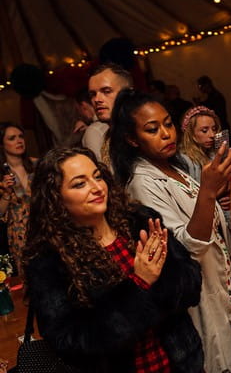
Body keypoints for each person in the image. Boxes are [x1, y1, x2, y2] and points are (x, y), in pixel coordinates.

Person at [22, 147, 203, 371]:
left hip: (181, 362)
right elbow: (69, 342)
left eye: (97, 176)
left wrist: (165, 274)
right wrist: (139, 283)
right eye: (80, 184)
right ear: (55, 198)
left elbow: (192, 286)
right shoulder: (49, 261)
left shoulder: (140, 222)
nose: (97, 187)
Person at [109, 90, 231, 373]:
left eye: (168, 124)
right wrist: (208, 193)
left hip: (227, 286)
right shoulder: (141, 183)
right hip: (203, 298)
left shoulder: (176, 168)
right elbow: (185, 248)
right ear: (132, 139)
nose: (166, 134)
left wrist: (218, 193)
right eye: (152, 129)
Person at [180, 106, 231, 213]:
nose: (212, 135)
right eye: (204, 131)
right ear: (191, 133)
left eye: (214, 129)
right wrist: (216, 199)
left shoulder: (215, 154)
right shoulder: (184, 160)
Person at [0, 123, 36, 273]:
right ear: (2, 144)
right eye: (12, 138)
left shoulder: (36, 164)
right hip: (18, 234)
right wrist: (7, 193)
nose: (19, 141)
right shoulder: (2, 173)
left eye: (21, 136)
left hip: (41, 226)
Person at [84, 63, 133, 161]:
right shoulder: (101, 136)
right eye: (93, 94)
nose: (97, 99)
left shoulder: (145, 130)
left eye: (106, 91)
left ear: (128, 93)